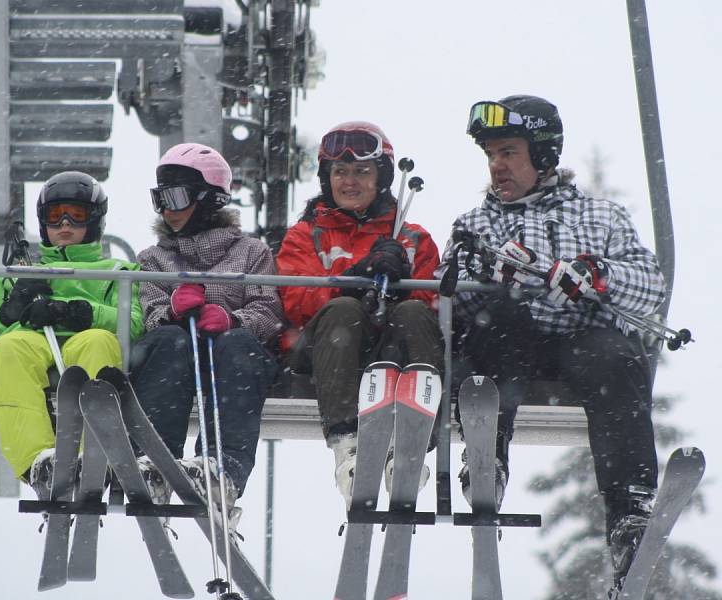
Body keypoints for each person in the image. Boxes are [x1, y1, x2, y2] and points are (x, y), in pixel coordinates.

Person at [436, 95, 666, 591]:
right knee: (500, 315)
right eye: (491, 155)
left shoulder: (601, 217)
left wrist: (599, 274)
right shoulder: (476, 225)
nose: (497, 167)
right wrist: (480, 280)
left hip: (579, 343)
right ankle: (486, 455)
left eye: (508, 153)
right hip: (510, 345)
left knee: (616, 355)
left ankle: (630, 510)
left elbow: (650, 287)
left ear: (542, 156)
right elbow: (443, 300)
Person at [276, 121, 444, 507]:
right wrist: (351, 280)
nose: (349, 182)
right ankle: (347, 445)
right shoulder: (307, 235)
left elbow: (435, 304)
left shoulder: (412, 238)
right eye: (340, 172)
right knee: (344, 310)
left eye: (361, 172)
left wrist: (400, 279)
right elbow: (295, 300)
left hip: (390, 344)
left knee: (416, 313)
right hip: (327, 346)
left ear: (382, 178)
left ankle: (411, 439)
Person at [0, 171, 144, 500]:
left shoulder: (118, 274)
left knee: (97, 343)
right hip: (34, 340)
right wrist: (11, 310)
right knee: (7, 349)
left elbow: (134, 325)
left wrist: (78, 312)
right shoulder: (18, 276)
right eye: (55, 216)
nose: (64, 224)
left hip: (87, 337)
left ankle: (89, 457)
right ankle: (39, 463)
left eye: (76, 215)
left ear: (94, 221)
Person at [132, 142, 282, 519]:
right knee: (168, 340)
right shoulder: (153, 259)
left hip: (229, 363)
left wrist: (234, 320)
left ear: (209, 200)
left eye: (176, 197)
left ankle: (221, 469)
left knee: (238, 346)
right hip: (177, 359)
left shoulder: (252, 254)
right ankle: (154, 462)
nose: (167, 208)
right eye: (159, 198)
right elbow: (148, 314)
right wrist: (171, 310)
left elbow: (268, 311)